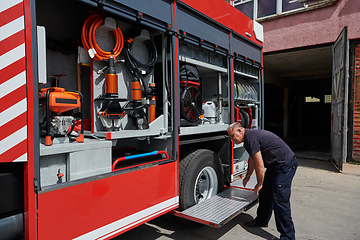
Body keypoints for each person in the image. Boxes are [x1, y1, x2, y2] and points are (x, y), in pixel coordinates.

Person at [227, 122, 298, 240]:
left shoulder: (250, 138)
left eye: (232, 136)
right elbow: (252, 159)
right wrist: (248, 175)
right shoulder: (247, 139)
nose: (232, 139)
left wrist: (259, 183)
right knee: (265, 194)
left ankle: (288, 237)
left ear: (239, 130)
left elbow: (259, 165)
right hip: (275, 167)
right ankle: (261, 221)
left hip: (285, 166)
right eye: (230, 137)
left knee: (280, 201)